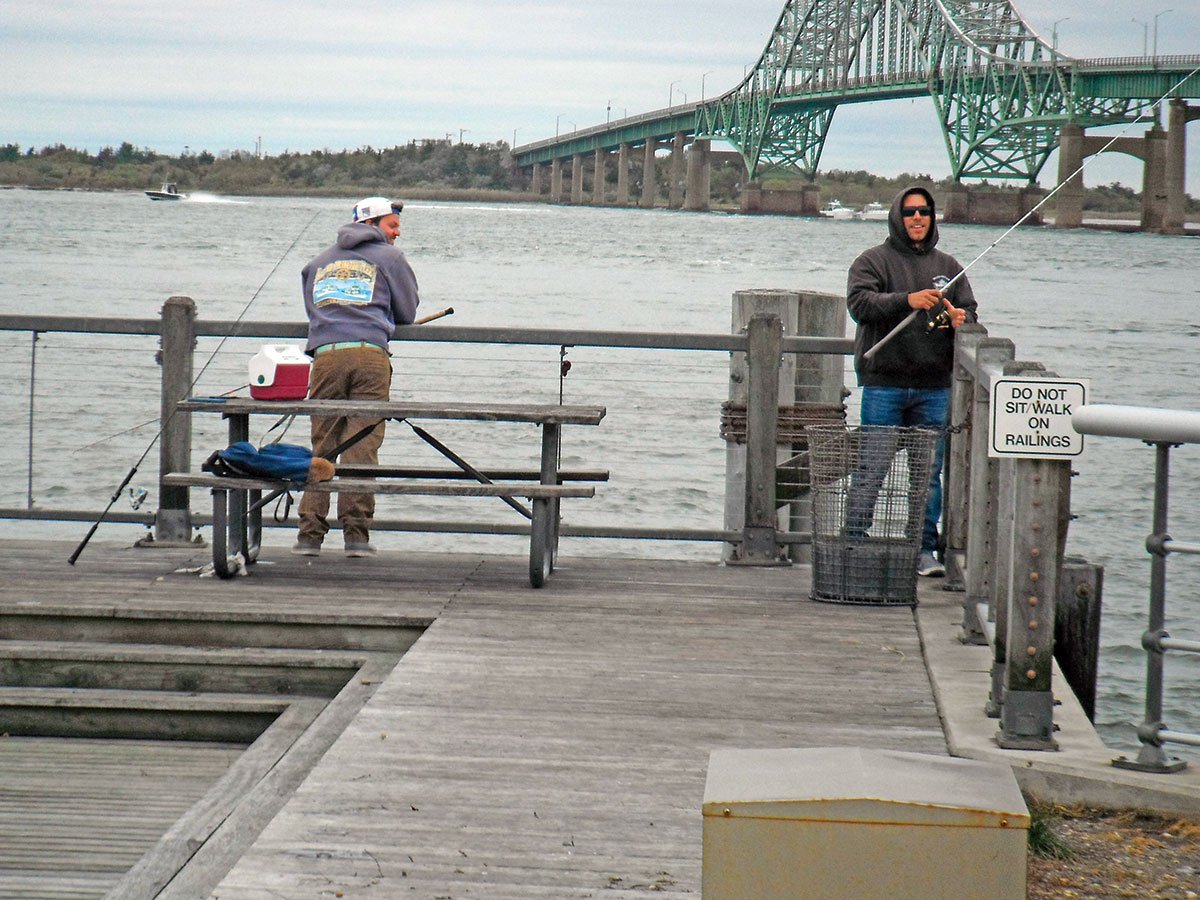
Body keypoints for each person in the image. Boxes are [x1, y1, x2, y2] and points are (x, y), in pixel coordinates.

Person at [845, 186, 977, 577]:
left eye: (924, 212)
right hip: (884, 384)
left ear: (932, 217)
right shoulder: (872, 261)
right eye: (910, 212)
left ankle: (923, 550)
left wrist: (961, 320)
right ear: (897, 217)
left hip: (934, 386)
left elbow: (970, 312)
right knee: (872, 469)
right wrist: (908, 300)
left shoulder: (950, 266)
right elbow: (859, 304)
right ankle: (853, 540)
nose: (918, 218)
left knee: (927, 475)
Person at [292, 197, 419, 558]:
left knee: (324, 446)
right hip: (370, 356)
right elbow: (408, 312)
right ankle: (356, 536)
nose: (397, 232)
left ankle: (309, 536)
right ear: (373, 224)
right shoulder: (391, 258)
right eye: (392, 225)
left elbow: (312, 308)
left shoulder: (318, 262)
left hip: (326, 357)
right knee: (362, 445)